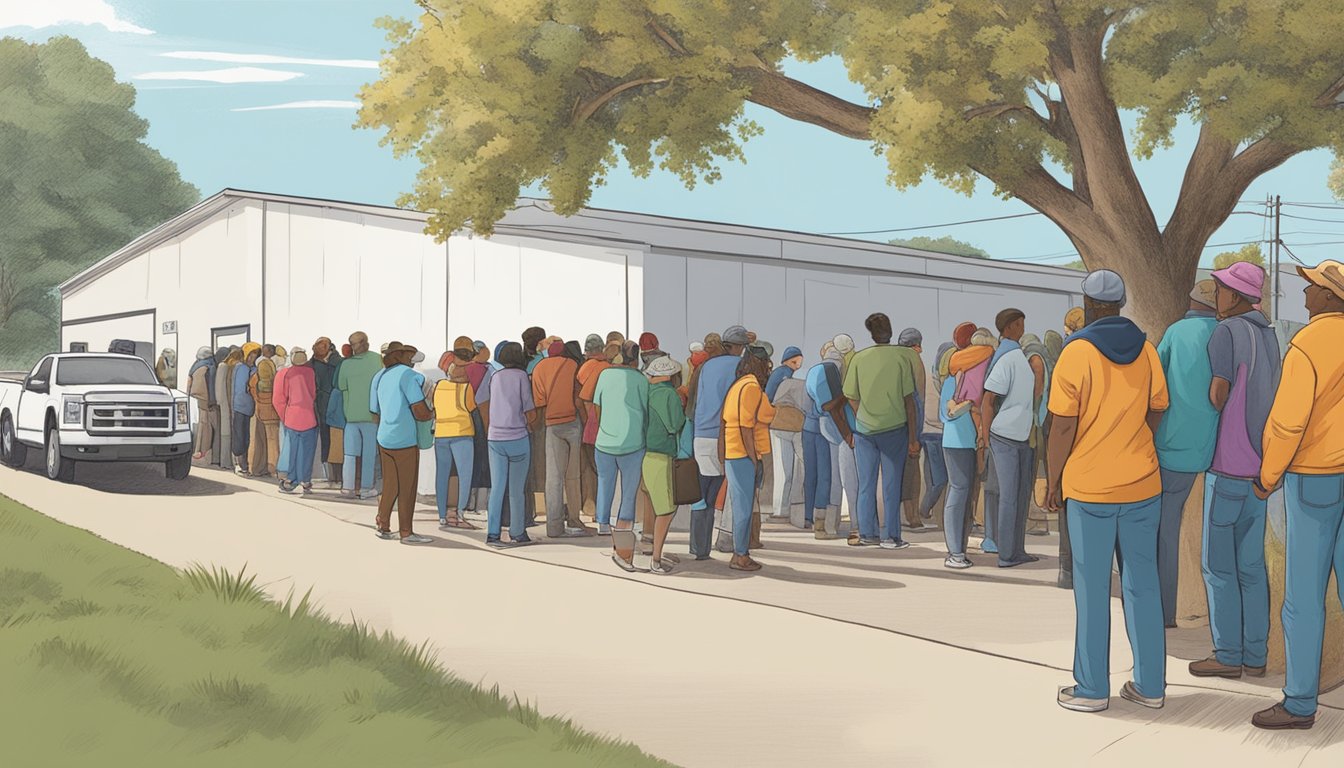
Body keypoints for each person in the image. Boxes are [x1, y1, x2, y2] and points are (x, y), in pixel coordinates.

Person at [1046, 269, 1168, 714]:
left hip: (1090, 487)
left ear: (1089, 304)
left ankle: (1092, 689)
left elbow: (1061, 425)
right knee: (1143, 585)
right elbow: (1158, 409)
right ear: (1120, 303)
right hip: (1142, 483)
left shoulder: (1076, 353)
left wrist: (1054, 479)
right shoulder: (1148, 351)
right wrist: (1133, 440)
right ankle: (1151, 685)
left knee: (1093, 587)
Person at [1250, 259, 1344, 731]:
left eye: (1312, 287)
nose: (1305, 293)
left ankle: (1300, 703)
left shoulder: (1308, 343)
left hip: (1315, 477)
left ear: (1330, 297)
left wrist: (1268, 476)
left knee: (1303, 596)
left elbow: (1288, 422)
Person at [1188, 262, 1280, 680]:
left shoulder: (1226, 332)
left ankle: (1227, 654)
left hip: (1228, 464)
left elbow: (1218, 391)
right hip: (1260, 468)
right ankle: (1256, 655)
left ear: (1237, 295)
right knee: (1251, 566)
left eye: (1222, 288)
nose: (1217, 294)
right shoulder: (1269, 334)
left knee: (1217, 566)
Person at [1153, 280, 1220, 625]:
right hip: (1214, 449)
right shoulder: (1226, 333)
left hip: (1171, 448)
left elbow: (1157, 385)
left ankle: (1165, 612)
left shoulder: (1176, 332)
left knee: (1166, 531)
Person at [843, 313, 920, 549]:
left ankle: (867, 533)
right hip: (895, 429)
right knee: (891, 484)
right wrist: (913, 437)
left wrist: (863, 416)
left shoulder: (858, 358)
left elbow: (850, 396)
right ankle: (891, 536)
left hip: (865, 430)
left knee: (865, 483)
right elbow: (909, 401)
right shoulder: (901, 357)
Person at [981, 308, 1046, 568]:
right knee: (1009, 496)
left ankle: (1017, 550)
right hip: (1005, 436)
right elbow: (987, 401)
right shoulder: (1007, 357)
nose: (1022, 328)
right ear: (1009, 328)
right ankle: (1007, 554)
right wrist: (986, 438)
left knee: (1019, 496)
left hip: (1020, 436)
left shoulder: (1017, 355)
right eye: (1019, 324)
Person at [688, 326, 750, 558]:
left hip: (701, 435)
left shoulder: (706, 366)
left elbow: (694, 403)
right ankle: (727, 540)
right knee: (729, 492)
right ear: (741, 348)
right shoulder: (740, 367)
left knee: (701, 495)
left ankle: (698, 548)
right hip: (728, 437)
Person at [369, 342, 433, 544]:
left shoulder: (379, 376)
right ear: (399, 356)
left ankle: (383, 523)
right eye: (409, 356)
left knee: (390, 484)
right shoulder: (408, 375)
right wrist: (434, 412)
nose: (412, 361)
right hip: (405, 439)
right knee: (407, 487)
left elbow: (374, 410)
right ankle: (406, 532)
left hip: (384, 437)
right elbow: (420, 412)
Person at [594, 341, 649, 569]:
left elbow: (597, 406)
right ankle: (623, 525)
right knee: (629, 488)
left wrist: (605, 425)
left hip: (605, 439)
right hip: (633, 441)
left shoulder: (605, 375)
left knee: (605, 482)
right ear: (635, 359)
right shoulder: (640, 379)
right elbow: (646, 410)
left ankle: (602, 522)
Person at [721, 352, 776, 571]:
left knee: (741, 505)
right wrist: (753, 459)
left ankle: (741, 552)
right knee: (744, 507)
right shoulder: (752, 387)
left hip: (733, 451)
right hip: (744, 454)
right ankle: (740, 555)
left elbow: (724, 422)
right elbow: (746, 426)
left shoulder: (737, 385)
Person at [479, 342, 537, 547]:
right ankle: (517, 532)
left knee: (497, 488)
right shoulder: (521, 377)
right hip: (517, 437)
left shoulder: (495, 376)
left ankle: (493, 534)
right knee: (516, 490)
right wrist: (532, 423)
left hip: (495, 438)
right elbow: (529, 407)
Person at [533, 338, 590, 538]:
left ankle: (554, 527)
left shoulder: (540, 368)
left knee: (553, 477)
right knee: (572, 476)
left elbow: (539, 399)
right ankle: (574, 520)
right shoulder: (573, 365)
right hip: (572, 422)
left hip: (551, 424)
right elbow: (578, 394)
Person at [949, 329, 999, 552]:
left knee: (963, 489)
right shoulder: (990, 361)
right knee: (980, 488)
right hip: (980, 431)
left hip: (963, 433)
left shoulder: (958, 368)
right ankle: (979, 541)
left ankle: (959, 546)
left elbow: (953, 405)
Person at [641, 355, 687, 574]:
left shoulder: (646, 393)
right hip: (663, 455)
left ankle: (657, 552)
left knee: (658, 506)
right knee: (667, 510)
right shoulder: (670, 394)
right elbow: (675, 424)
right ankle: (656, 559)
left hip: (646, 455)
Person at [940, 332, 978, 569]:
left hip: (964, 443)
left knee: (964, 495)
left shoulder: (963, 380)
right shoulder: (952, 382)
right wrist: (968, 404)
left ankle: (959, 549)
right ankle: (955, 552)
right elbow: (946, 413)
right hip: (958, 443)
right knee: (958, 492)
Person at [432, 339, 479, 530]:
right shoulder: (467, 388)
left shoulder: (438, 386)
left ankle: (442, 515)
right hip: (462, 433)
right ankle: (459, 513)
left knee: (441, 475)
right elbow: (471, 407)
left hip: (441, 433)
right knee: (464, 474)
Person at [803, 345, 850, 540]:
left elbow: (809, 402)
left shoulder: (813, 370)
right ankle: (826, 527)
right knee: (831, 477)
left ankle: (814, 520)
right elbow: (828, 405)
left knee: (814, 475)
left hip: (809, 426)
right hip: (829, 427)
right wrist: (845, 397)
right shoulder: (831, 370)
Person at [896, 328, 937, 532]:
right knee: (912, 474)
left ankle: (895, 518)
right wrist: (916, 435)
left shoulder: (892, 358)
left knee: (894, 473)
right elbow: (917, 400)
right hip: (910, 426)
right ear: (916, 345)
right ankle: (912, 518)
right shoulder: (914, 360)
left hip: (890, 426)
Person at [337, 332, 383, 500]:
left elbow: (341, 385)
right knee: (369, 454)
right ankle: (365, 487)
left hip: (351, 415)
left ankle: (348, 487)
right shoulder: (378, 360)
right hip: (371, 415)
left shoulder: (346, 364)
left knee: (350, 453)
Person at [768, 347, 809, 525]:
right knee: (791, 469)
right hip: (793, 424)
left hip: (781, 424)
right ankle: (787, 508)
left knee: (784, 469)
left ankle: (781, 509)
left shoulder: (781, 374)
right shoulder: (783, 374)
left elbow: (769, 396)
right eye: (795, 361)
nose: (797, 364)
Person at [578, 334, 614, 529]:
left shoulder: (584, 369)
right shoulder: (608, 369)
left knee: (591, 470)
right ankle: (603, 514)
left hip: (590, 425)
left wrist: (587, 419)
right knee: (605, 474)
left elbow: (583, 397)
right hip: (608, 425)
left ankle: (592, 509)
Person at [273, 347, 318, 494]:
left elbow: (283, 396)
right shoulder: (310, 372)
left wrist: (285, 415)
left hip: (292, 416)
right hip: (309, 416)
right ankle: (306, 480)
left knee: (293, 450)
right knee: (308, 451)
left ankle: (291, 479)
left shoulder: (287, 373)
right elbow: (312, 393)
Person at [920, 342, 954, 526]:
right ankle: (925, 509)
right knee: (940, 479)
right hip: (937, 435)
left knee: (931, 477)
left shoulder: (929, 375)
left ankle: (927, 512)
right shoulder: (939, 380)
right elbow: (934, 414)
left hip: (926, 434)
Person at [311, 337, 344, 487]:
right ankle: (328, 474)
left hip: (337, 407)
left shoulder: (339, 362)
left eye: (322, 347)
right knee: (325, 439)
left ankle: (339, 476)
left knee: (338, 441)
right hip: (321, 406)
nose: (318, 351)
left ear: (329, 347)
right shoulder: (312, 364)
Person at [231, 344, 261, 475]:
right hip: (240, 406)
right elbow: (240, 390)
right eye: (251, 354)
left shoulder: (254, 369)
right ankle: (240, 464)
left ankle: (245, 465)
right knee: (239, 436)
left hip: (249, 407)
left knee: (246, 437)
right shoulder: (241, 369)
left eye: (255, 355)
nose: (252, 357)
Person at [188, 347, 215, 461]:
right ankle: (203, 451)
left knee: (201, 424)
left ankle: (197, 449)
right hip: (206, 399)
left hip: (195, 398)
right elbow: (211, 385)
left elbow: (189, 383)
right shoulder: (210, 367)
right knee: (206, 426)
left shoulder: (194, 366)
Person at [216, 347, 240, 473]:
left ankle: (227, 461)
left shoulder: (227, 366)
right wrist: (221, 402)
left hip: (227, 403)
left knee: (227, 432)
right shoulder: (224, 366)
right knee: (226, 433)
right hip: (225, 403)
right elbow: (220, 388)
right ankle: (226, 461)